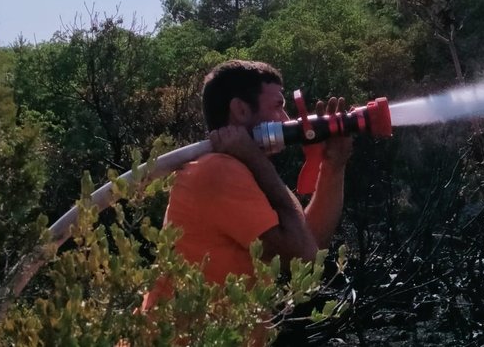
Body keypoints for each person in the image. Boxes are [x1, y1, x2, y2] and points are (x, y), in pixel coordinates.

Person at [141, 59, 352, 312]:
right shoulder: (217, 171)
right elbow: (303, 256)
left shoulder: (243, 170)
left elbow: (310, 242)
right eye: (277, 106)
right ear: (241, 110)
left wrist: (333, 165)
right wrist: (258, 161)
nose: (286, 119)